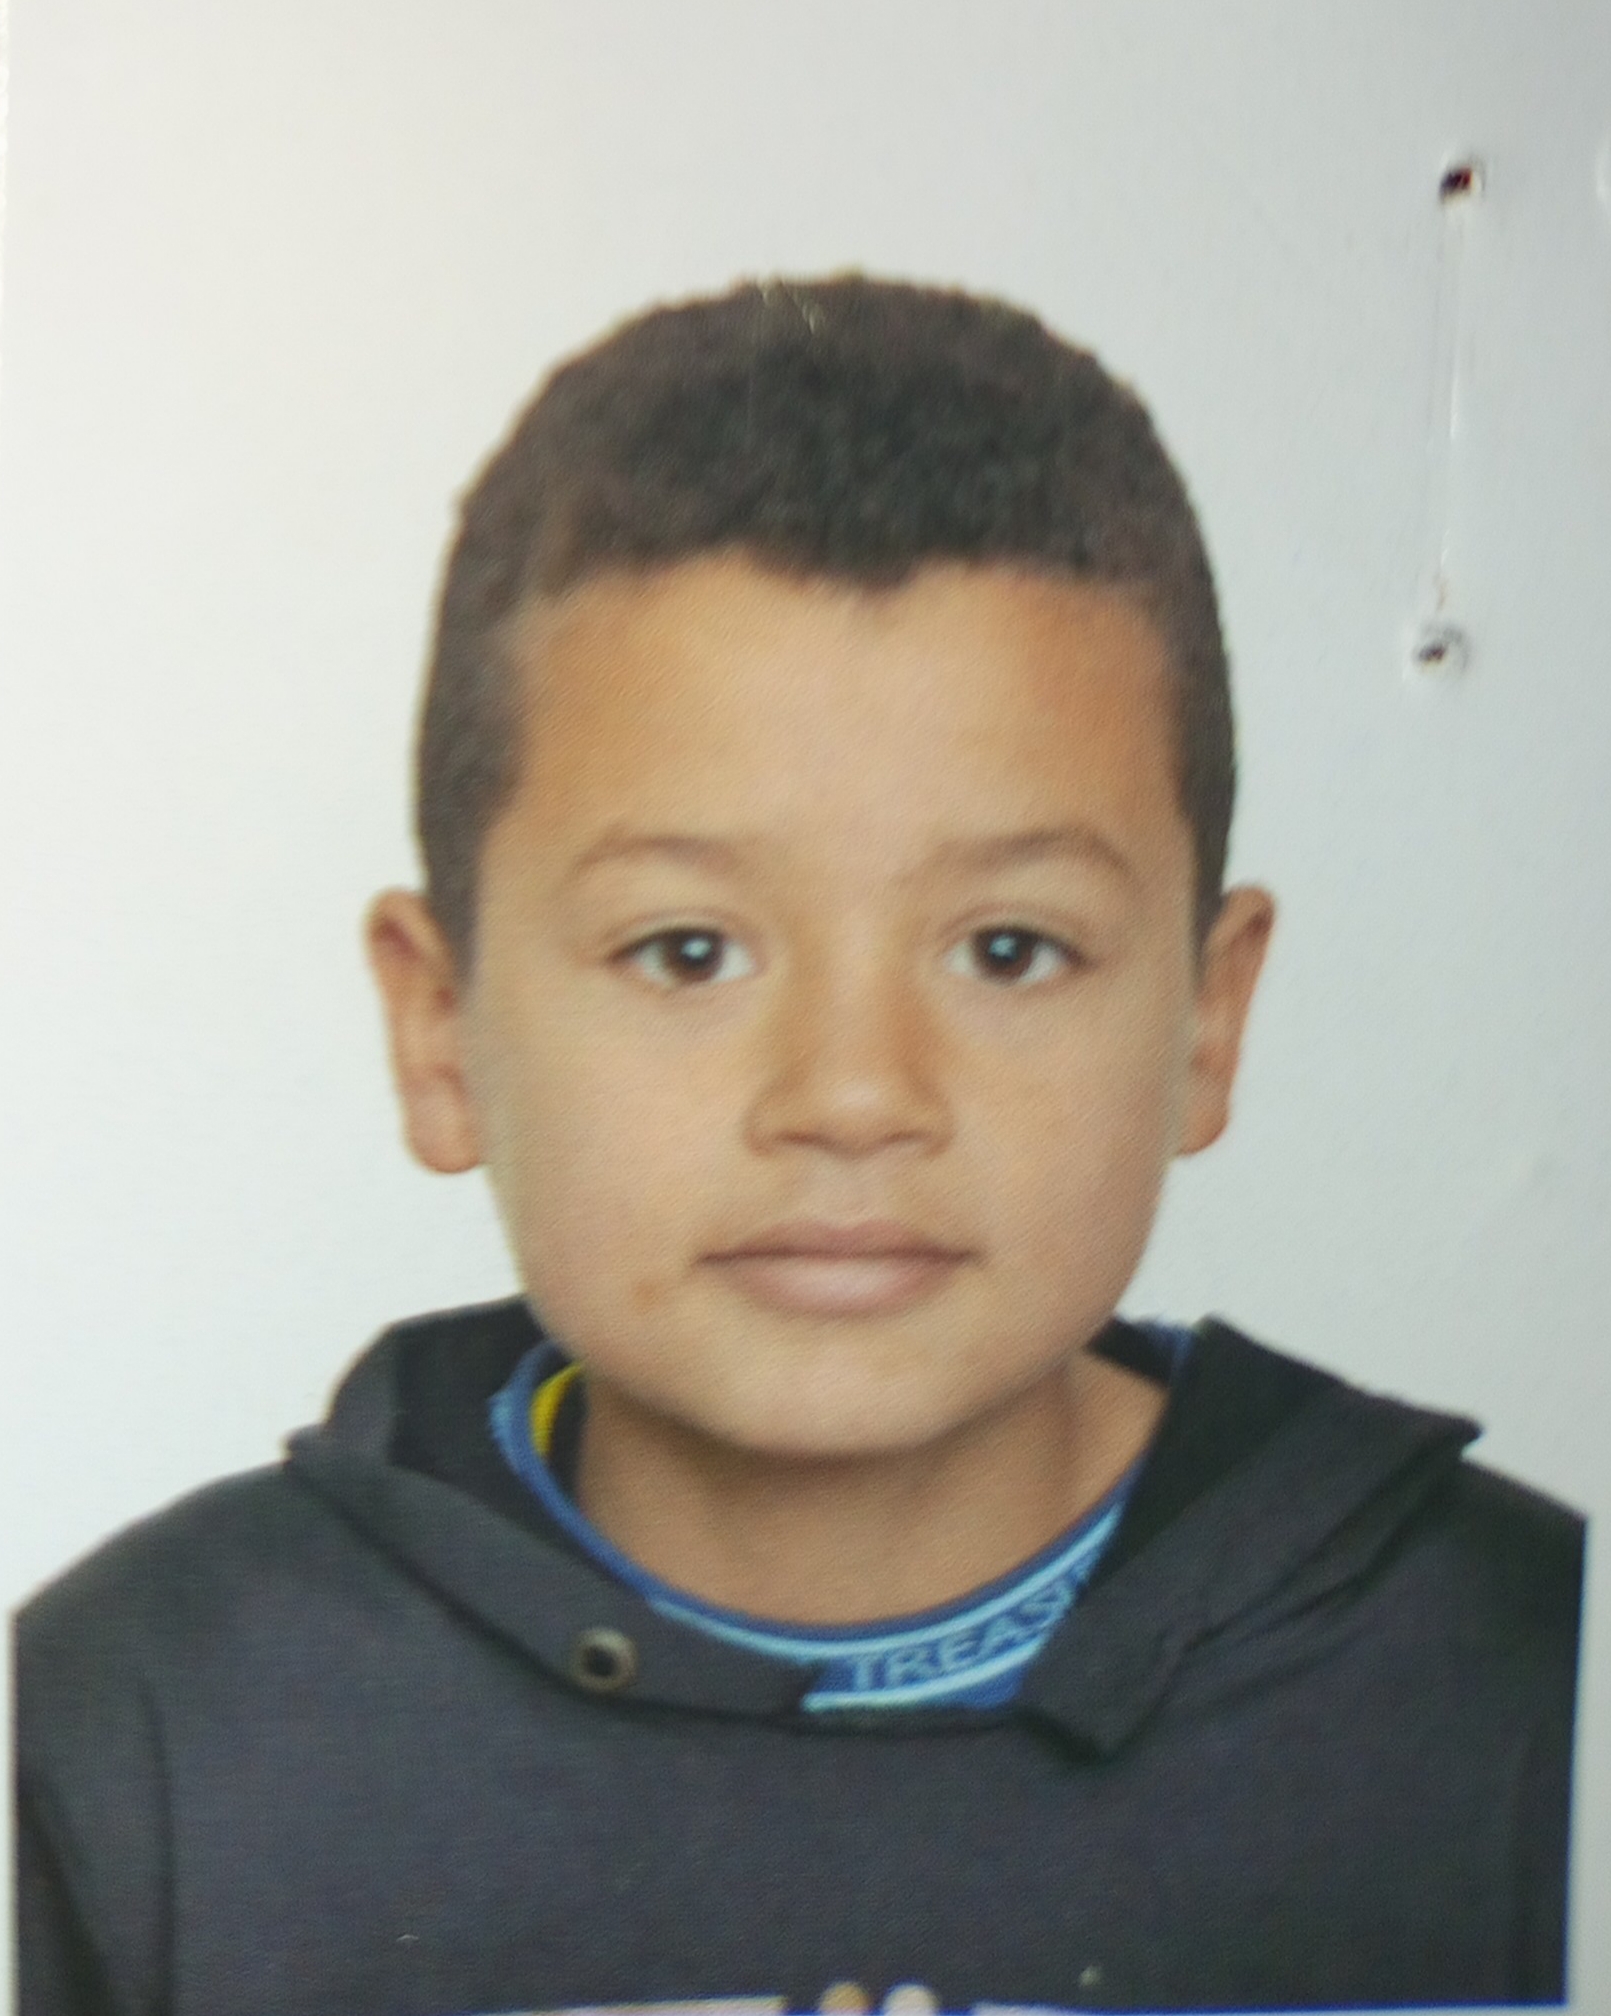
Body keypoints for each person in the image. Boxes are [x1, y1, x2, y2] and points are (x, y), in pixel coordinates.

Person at [15, 275, 1583, 2016]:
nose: (852, 1094)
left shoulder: (1542, 1695)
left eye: (1009, 949)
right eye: (688, 951)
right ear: (438, 1029)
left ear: (1206, 1025)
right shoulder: (135, 1731)